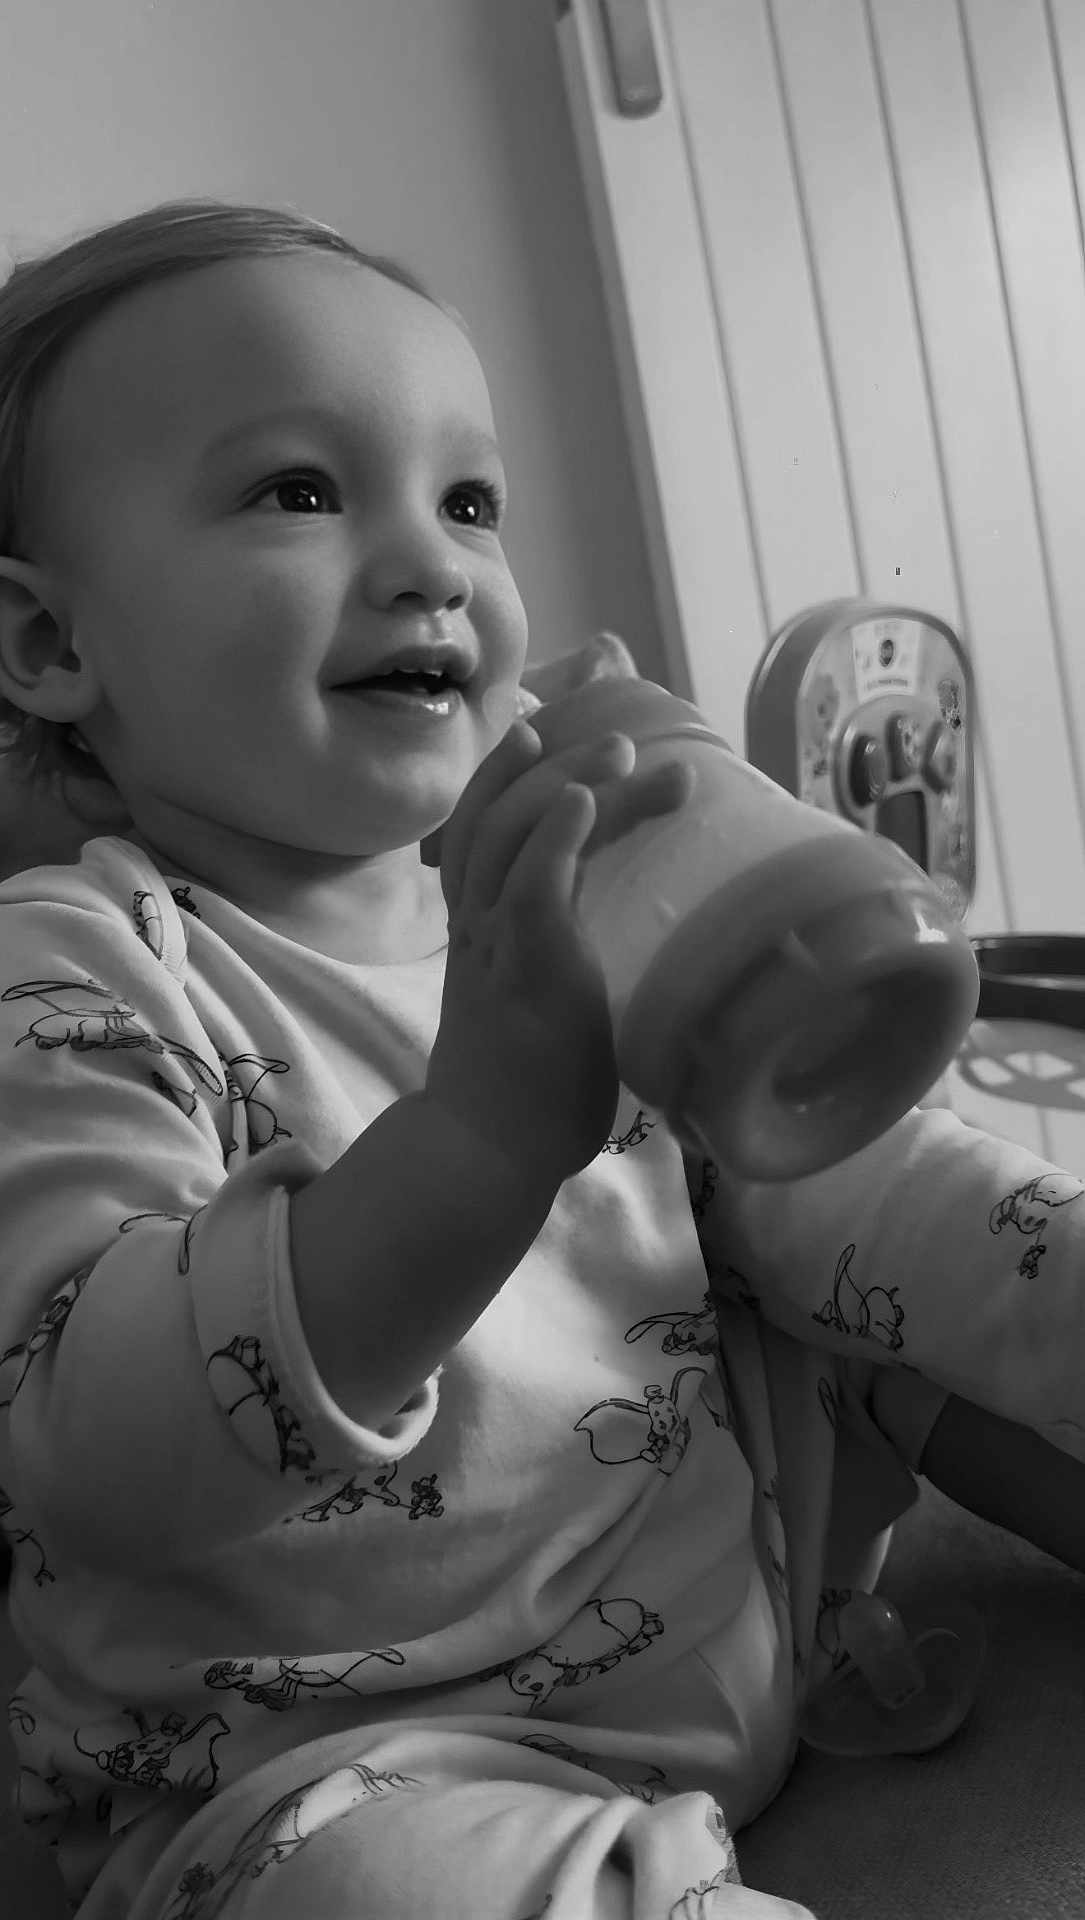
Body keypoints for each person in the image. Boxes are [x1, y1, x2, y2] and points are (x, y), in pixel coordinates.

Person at [0, 199, 1081, 1920]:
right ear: (54, 646)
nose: (433, 561)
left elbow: (832, 1203)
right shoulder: (77, 969)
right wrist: (484, 1134)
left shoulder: (561, 890)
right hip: (344, 1755)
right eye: (298, 488)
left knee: (907, 1308)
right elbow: (99, 1451)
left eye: (470, 500)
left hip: (748, 1586)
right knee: (363, 1893)